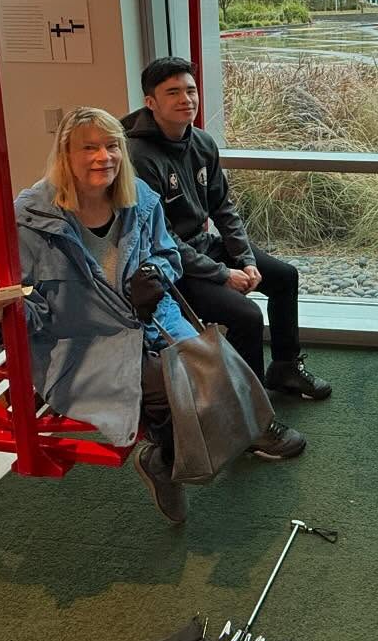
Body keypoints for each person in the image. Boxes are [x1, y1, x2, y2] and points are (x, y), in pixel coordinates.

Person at [0, 107, 306, 527]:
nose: (103, 157)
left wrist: (154, 274)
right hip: (80, 340)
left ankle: (208, 440)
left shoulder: (140, 201)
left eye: (111, 146)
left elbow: (167, 254)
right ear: (65, 155)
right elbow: (15, 308)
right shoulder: (31, 223)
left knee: (212, 359)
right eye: (88, 148)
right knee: (174, 375)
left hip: (150, 320)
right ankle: (171, 455)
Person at [122, 57, 332, 401]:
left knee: (284, 277)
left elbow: (223, 208)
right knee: (246, 315)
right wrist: (223, 275)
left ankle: (284, 367)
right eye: (172, 92)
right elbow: (164, 238)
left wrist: (245, 260)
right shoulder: (138, 157)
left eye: (190, 90)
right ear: (150, 102)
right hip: (169, 265)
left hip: (202, 246)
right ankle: (250, 408)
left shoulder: (202, 143)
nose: (185, 99)